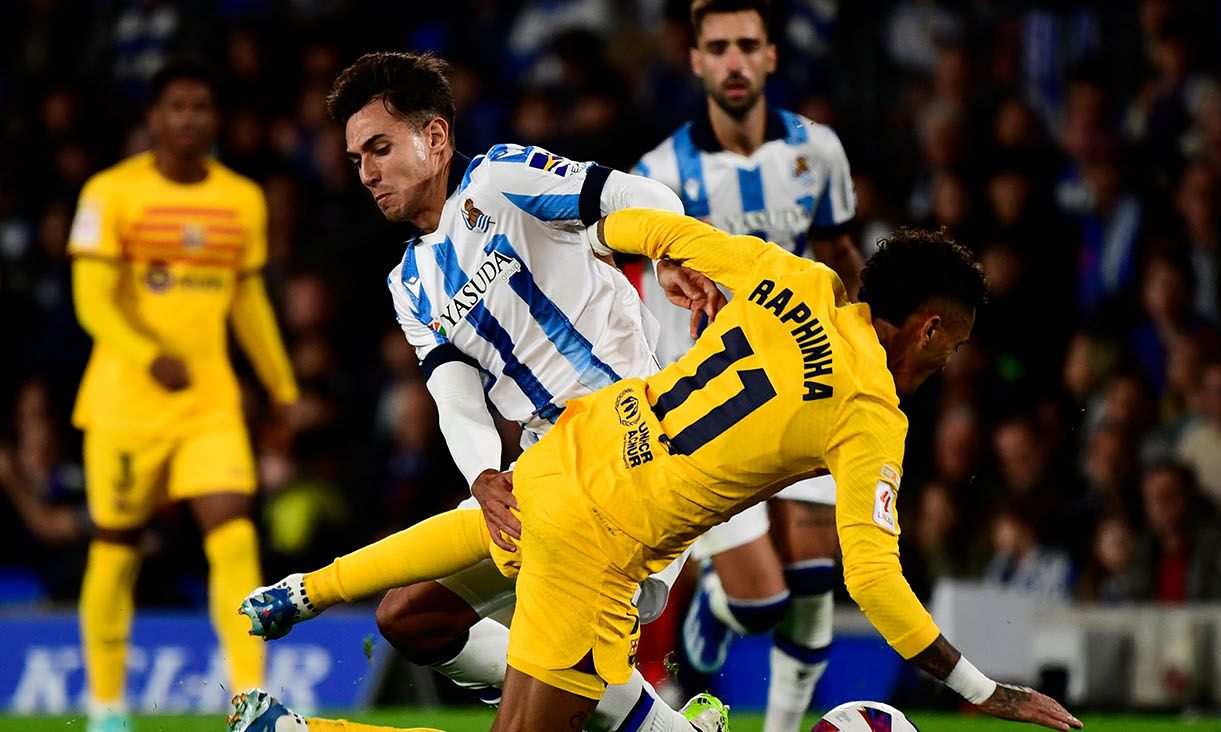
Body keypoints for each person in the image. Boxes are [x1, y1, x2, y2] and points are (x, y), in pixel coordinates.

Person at [233, 209, 1083, 732]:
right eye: (956, 346)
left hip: (571, 448)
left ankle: (634, 716)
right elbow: (874, 577)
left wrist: (666, 263)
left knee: (410, 620)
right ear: (929, 329)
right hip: (601, 543)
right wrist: (983, 689)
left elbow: (647, 227)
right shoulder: (870, 414)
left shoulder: (789, 275)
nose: (948, 365)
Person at [240, 51, 729, 732]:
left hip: (632, 457)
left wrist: (668, 250)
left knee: (532, 710)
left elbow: (639, 197)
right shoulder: (408, 284)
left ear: (435, 138)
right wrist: (481, 474)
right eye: (356, 160)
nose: (368, 172)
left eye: (380, 147)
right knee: (410, 618)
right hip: (545, 477)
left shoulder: (502, 180)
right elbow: (454, 394)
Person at [631, 3, 863, 727]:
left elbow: (840, 256)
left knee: (818, 577)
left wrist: (861, 348)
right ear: (696, 60)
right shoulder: (660, 172)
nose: (734, 61)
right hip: (711, 407)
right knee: (763, 604)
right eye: (718, 47)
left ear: (770, 56)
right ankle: (715, 612)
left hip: (807, 387)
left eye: (747, 46)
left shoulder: (819, 152)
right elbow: (616, 271)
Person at [67, 60, 299, 732]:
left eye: (202, 106)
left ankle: (250, 699)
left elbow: (248, 302)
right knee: (116, 544)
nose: (190, 118)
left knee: (234, 536)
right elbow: (90, 299)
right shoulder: (109, 193)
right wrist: (147, 354)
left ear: (215, 118)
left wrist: (280, 385)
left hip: (210, 403)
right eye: (178, 106)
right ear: (154, 117)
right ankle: (107, 708)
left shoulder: (242, 199)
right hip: (124, 404)